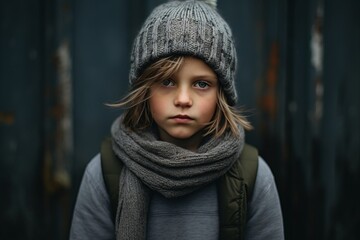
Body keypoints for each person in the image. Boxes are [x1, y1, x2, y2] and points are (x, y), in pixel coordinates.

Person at [69, 0, 284, 239]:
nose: (183, 99)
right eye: (167, 81)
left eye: (201, 84)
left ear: (221, 94)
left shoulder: (253, 176)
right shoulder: (103, 173)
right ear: (145, 88)